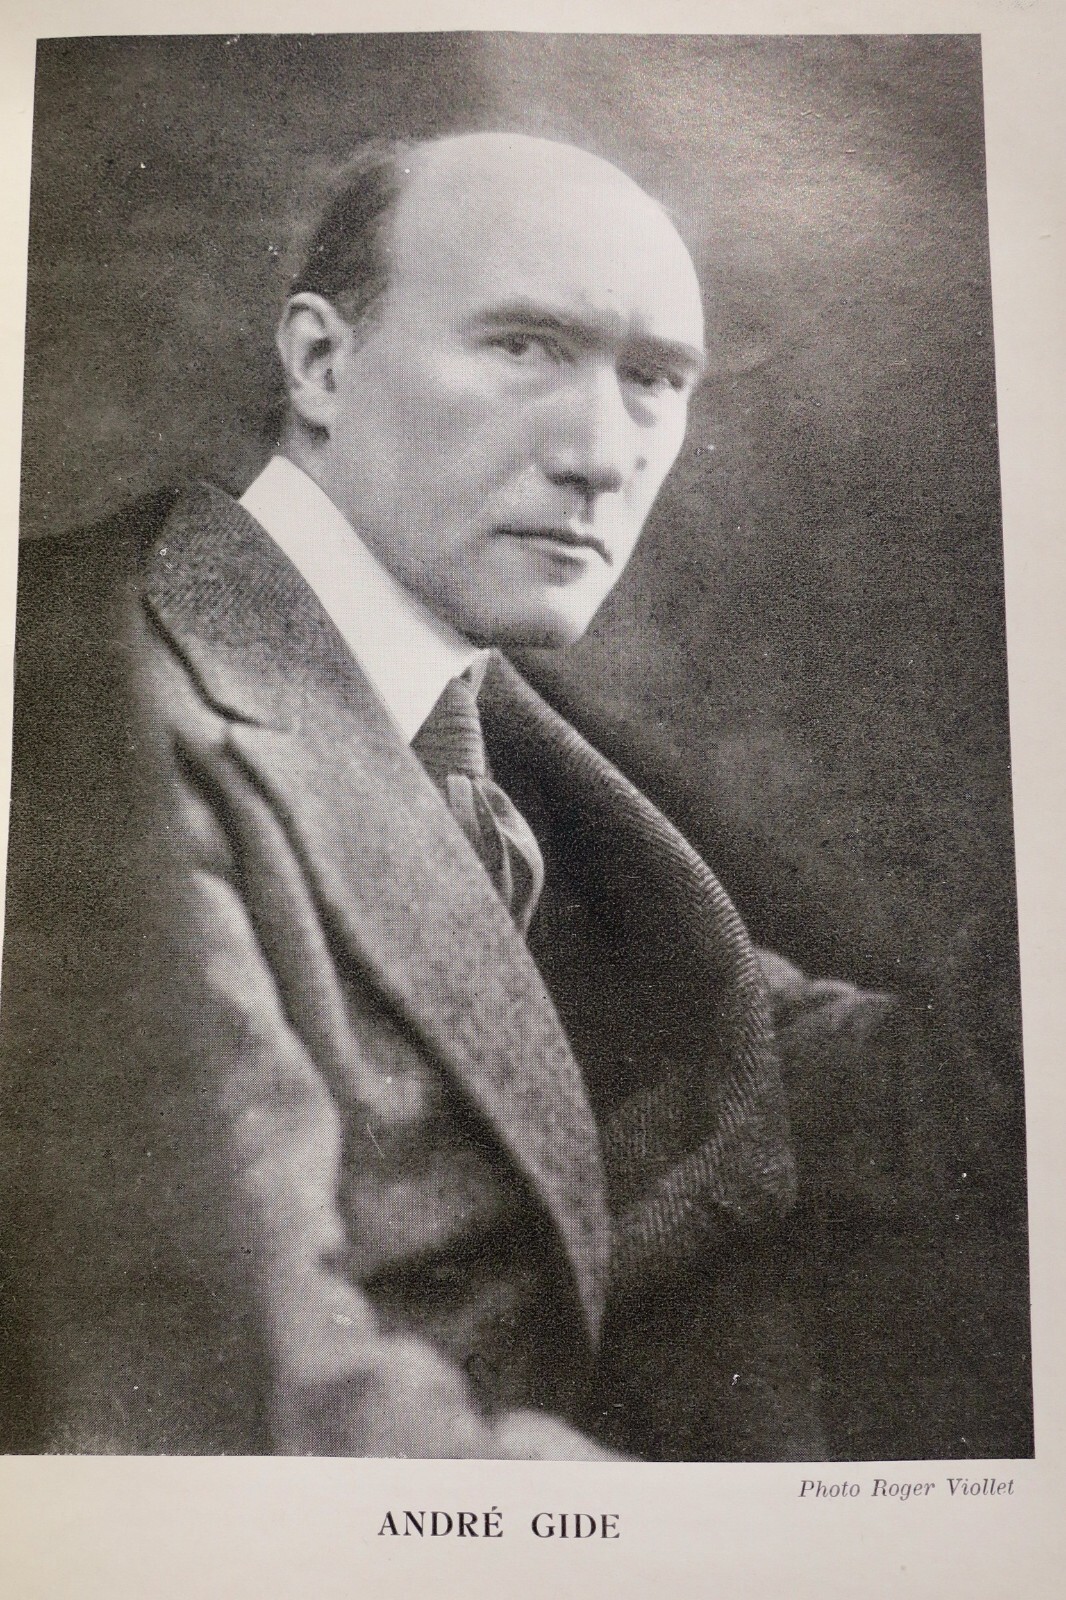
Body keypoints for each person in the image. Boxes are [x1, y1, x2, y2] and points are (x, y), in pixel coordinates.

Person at [0, 132, 974, 1459]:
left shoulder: (481, 719)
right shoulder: (78, 687)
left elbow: (792, 1072)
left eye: (653, 380)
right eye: (523, 348)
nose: (602, 454)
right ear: (320, 362)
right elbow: (231, 1371)